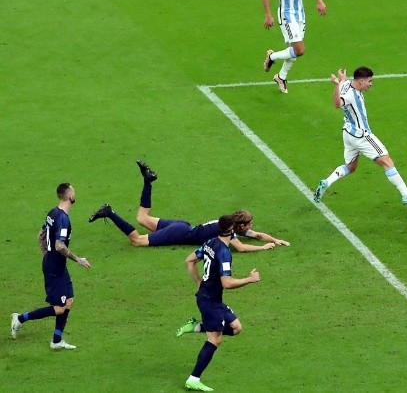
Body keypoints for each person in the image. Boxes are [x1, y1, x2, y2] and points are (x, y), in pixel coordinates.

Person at [88, 160, 290, 250]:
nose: (251, 228)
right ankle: (110, 212)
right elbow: (243, 248)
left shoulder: (229, 224)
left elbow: (258, 235)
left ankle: (148, 181)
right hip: (179, 233)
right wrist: (264, 248)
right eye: (249, 224)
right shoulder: (228, 233)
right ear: (241, 225)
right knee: (137, 241)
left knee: (142, 218)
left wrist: (276, 239)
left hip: (183, 225)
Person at [313, 67, 407, 205]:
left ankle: (327, 181)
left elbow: (343, 84)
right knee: (387, 161)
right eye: (369, 81)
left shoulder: (347, 84)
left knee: (350, 166)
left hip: (348, 134)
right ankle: (406, 195)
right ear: (361, 81)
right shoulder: (350, 95)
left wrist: (341, 81)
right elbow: (337, 104)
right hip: (362, 136)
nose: (371, 84)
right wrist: (337, 86)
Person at [176, 215, 261, 392]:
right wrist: (250, 279)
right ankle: (193, 379)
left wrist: (199, 282)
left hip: (211, 298)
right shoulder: (224, 253)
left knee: (236, 327)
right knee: (215, 339)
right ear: (231, 231)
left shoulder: (210, 242)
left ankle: (197, 327)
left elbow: (189, 260)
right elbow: (227, 283)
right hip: (210, 302)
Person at [11, 183, 91, 349]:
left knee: (69, 301)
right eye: (74, 191)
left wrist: (46, 255)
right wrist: (79, 259)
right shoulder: (62, 218)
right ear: (69, 196)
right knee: (60, 308)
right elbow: (60, 246)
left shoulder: (52, 213)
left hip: (56, 265)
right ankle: (20, 318)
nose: (75, 193)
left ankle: (56, 340)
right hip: (55, 268)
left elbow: (40, 235)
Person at [262, 0, 327, 94]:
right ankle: (272, 57)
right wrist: (268, 15)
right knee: (299, 50)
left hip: (300, 15)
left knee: (295, 51)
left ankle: (281, 77)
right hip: (286, 16)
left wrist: (320, 1)